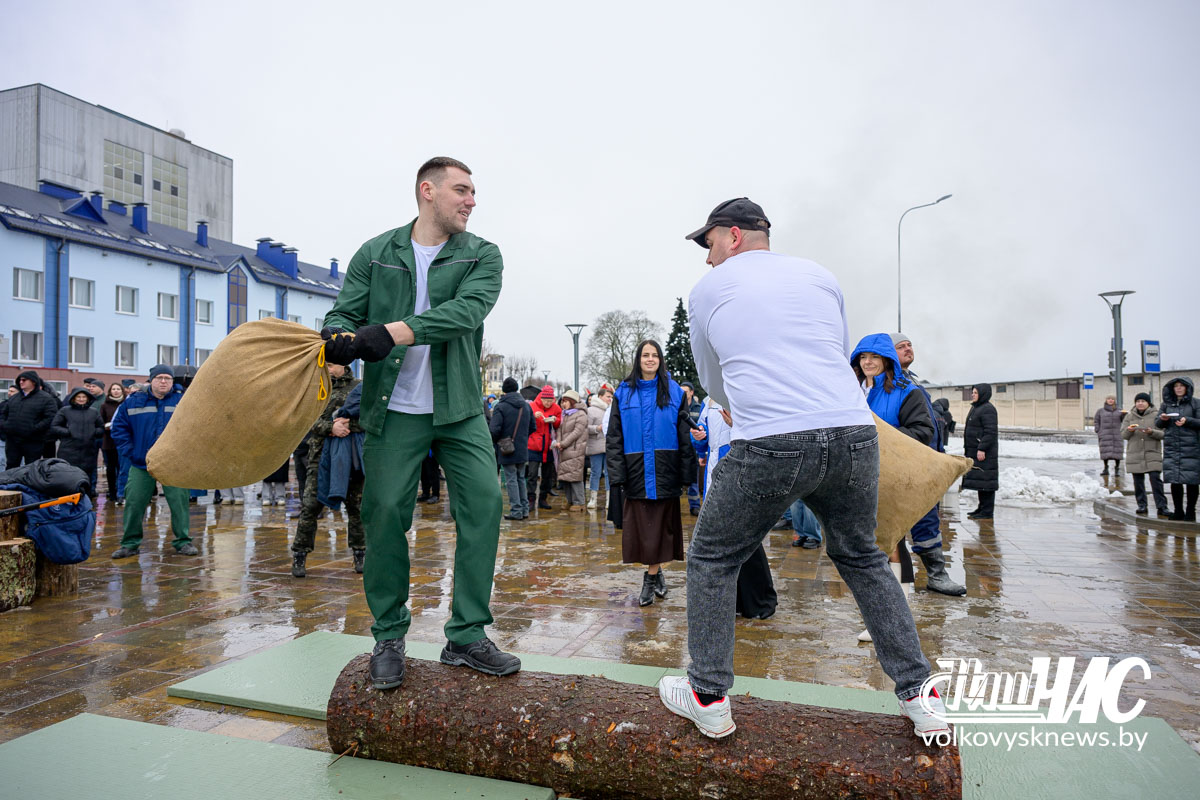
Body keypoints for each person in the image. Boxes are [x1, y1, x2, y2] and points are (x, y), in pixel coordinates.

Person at [658, 197, 945, 740]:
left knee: (714, 556)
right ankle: (920, 693)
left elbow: (712, 379)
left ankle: (708, 695)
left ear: (734, 236)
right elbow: (833, 354)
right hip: (852, 433)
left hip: (771, 438)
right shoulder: (821, 276)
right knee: (863, 557)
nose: (707, 257)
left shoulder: (708, 289)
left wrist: (745, 404)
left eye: (709, 243)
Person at [320, 156, 519, 689]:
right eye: (462, 190)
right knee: (384, 513)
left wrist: (391, 332)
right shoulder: (375, 253)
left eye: (473, 192)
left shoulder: (482, 254)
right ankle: (389, 635)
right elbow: (343, 313)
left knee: (485, 503)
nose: (472, 201)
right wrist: (338, 336)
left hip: (459, 407)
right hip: (391, 408)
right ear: (428, 191)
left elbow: (466, 313)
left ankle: (466, 635)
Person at [849, 333, 934, 641]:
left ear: (887, 359)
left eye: (874, 357)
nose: (867, 362)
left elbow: (924, 431)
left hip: (893, 476)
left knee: (890, 543)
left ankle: (892, 616)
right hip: (861, 477)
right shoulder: (853, 390)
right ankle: (890, 613)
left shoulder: (907, 391)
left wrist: (884, 435)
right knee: (875, 545)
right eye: (862, 357)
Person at [607, 339, 697, 608]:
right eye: (645, 355)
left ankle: (650, 578)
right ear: (638, 359)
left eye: (654, 355)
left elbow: (684, 434)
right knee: (644, 531)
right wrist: (617, 474)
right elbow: (614, 437)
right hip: (635, 470)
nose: (650, 359)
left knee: (659, 529)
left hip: (664, 469)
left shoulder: (674, 391)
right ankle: (657, 574)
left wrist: (686, 473)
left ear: (660, 359)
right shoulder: (623, 392)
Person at [890, 333, 966, 597]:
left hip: (925, 459)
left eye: (909, 345)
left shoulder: (913, 381)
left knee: (928, 517)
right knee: (900, 521)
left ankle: (936, 574)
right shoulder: (890, 384)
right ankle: (897, 581)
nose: (908, 349)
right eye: (901, 346)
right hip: (905, 461)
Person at [692, 397, 776, 618]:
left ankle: (760, 600)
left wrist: (736, 425)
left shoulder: (745, 392)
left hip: (741, 469)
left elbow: (764, 433)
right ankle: (734, 599)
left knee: (746, 537)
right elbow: (702, 437)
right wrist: (699, 437)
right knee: (722, 539)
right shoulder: (708, 401)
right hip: (714, 472)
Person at [109, 365, 196, 558]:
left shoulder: (183, 401)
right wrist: (131, 452)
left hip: (173, 463)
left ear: (172, 381)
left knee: (180, 503)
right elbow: (119, 428)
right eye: (159, 378)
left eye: (168, 378)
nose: (163, 381)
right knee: (134, 502)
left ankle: (183, 541)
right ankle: (130, 544)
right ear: (151, 380)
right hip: (141, 462)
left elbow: (195, 428)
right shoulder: (133, 402)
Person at [291, 362, 365, 577]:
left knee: (356, 507)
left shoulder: (359, 387)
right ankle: (299, 553)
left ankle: (360, 553)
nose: (328, 369)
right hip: (320, 457)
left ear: (344, 363)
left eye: (331, 365)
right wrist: (330, 427)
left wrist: (349, 426)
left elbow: (372, 418)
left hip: (351, 457)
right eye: (326, 365)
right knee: (310, 506)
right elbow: (304, 420)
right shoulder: (316, 388)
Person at [490, 377, 536, 520]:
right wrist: (522, 438)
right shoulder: (526, 406)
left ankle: (516, 511)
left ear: (504, 390)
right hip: (522, 448)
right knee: (521, 478)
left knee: (511, 480)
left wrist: (498, 441)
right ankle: (524, 510)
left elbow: (494, 430)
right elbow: (533, 427)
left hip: (507, 448)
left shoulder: (501, 406)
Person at [48, 387, 104, 499]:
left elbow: (101, 428)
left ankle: (85, 499)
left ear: (88, 398)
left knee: (86, 476)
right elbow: (54, 426)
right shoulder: (65, 410)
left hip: (88, 450)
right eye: (78, 397)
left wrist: (93, 432)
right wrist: (68, 432)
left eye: (84, 397)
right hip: (68, 449)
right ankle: (67, 499)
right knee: (68, 475)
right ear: (73, 398)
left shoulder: (93, 412)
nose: (81, 399)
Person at [1156, 377, 1200, 522]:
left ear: (1187, 388)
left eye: (1182, 386)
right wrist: (1163, 419)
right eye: (1176, 386)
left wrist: (1188, 421)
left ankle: (1190, 512)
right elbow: (1158, 423)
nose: (1179, 388)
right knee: (1175, 480)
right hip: (1172, 447)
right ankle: (1178, 511)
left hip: (1191, 448)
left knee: (1192, 481)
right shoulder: (1166, 404)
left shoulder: (1196, 403)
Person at [1122, 392, 1168, 517]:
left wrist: (1151, 432)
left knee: (1156, 480)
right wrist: (1129, 430)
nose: (1140, 403)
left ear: (1148, 403)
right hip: (1135, 453)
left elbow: (1164, 434)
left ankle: (1162, 506)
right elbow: (1123, 435)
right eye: (1138, 401)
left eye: (1143, 401)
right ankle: (1142, 505)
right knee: (1138, 482)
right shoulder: (1129, 416)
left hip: (1152, 453)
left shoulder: (1156, 415)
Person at [0, 370, 58, 468]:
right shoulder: (14, 398)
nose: (21, 382)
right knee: (11, 466)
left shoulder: (46, 399)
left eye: (24, 380)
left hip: (33, 441)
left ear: (33, 381)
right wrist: (5, 426)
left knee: (30, 468)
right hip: (13, 440)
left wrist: (34, 429)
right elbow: (3, 413)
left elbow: (50, 418)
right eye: (20, 380)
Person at [963, 383, 999, 520]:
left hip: (984, 453)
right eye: (972, 392)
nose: (973, 395)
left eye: (976, 393)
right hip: (975, 450)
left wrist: (982, 448)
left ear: (983, 394)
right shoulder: (977, 408)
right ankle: (982, 508)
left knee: (986, 481)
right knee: (981, 481)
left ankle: (987, 511)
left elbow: (990, 431)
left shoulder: (988, 409)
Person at [526, 385, 561, 510]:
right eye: (546, 401)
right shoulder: (532, 406)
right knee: (532, 474)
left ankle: (543, 498)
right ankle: (530, 499)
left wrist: (555, 420)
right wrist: (533, 417)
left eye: (550, 401)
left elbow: (559, 424)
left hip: (549, 446)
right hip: (534, 445)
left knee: (547, 475)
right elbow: (526, 422)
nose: (548, 403)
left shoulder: (556, 408)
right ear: (541, 398)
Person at [554, 390, 588, 511]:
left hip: (575, 450)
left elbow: (577, 432)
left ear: (572, 402)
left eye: (566, 401)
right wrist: (559, 442)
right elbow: (560, 429)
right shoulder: (565, 414)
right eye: (562, 402)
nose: (563, 404)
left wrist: (563, 443)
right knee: (566, 477)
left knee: (575, 477)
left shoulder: (581, 414)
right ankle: (570, 501)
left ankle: (579, 502)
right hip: (564, 449)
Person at [679, 381, 703, 516]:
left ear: (692, 392)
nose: (682, 394)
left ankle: (695, 506)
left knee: (694, 480)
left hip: (694, 449)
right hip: (680, 448)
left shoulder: (698, 408)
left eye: (685, 391)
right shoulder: (676, 407)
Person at [99, 383, 125, 505]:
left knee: (122, 468)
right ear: (110, 391)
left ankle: (122, 492)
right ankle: (112, 492)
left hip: (123, 441)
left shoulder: (125, 404)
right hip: (109, 441)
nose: (116, 391)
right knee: (110, 468)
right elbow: (100, 422)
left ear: (122, 391)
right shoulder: (104, 405)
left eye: (118, 389)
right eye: (113, 389)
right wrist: (106, 426)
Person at [585, 386, 610, 510]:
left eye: (611, 397)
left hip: (609, 446)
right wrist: (597, 428)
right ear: (600, 396)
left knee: (609, 473)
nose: (610, 399)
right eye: (608, 396)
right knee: (595, 472)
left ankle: (609, 500)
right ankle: (593, 499)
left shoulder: (612, 409)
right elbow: (585, 427)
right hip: (595, 446)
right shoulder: (591, 410)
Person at [1094, 395, 1126, 478]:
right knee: (1105, 451)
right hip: (1105, 434)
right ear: (1106, 400)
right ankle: (1105, 468)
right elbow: (1096, 420)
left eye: (1112, 399)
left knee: (1117, 452)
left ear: (1114, 400)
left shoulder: (1119, 411)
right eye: (1109, 399)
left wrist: (1124, 415)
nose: (1110, 400)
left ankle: (1117, 468)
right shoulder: (1100, 411)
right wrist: (1098, 430)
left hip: (1117, 434)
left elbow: (1124, 421)